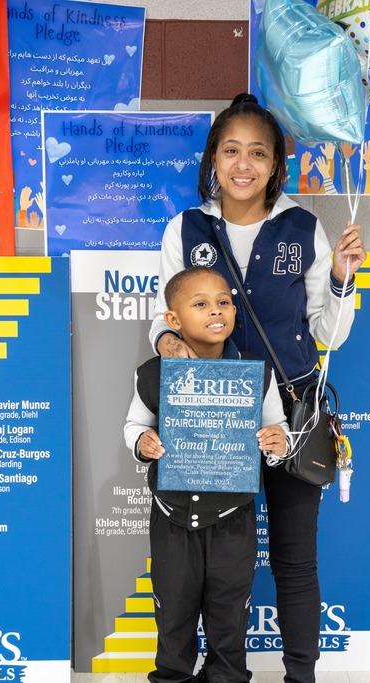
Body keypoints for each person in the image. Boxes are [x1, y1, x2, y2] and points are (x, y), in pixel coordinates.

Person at [148, 93, 367, 683]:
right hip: (210, 422)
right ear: (213, 160)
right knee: (212, 568)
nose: (243, 165)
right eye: (231, 151)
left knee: (295, 560)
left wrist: (344, 280)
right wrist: (171, 349)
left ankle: (301, 674)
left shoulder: (304, 228)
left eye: (258, 154)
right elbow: (163, 319)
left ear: (275, 165)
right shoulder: (186, 228)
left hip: (292, 415)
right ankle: (208, 672)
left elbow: (331, 334)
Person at [126, 266, 290, 683]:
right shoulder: (152, 374)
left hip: (232, 516)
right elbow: (134, 425)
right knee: (174, 607)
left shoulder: (256, 371)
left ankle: (227, 676)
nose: (216, 311)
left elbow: (279, 428)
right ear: (174, 321)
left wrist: (278, 441)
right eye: (200, 305)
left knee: (230, 610)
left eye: (224, 302)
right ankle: (173, 676)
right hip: (172, 516)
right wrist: (143, 442)